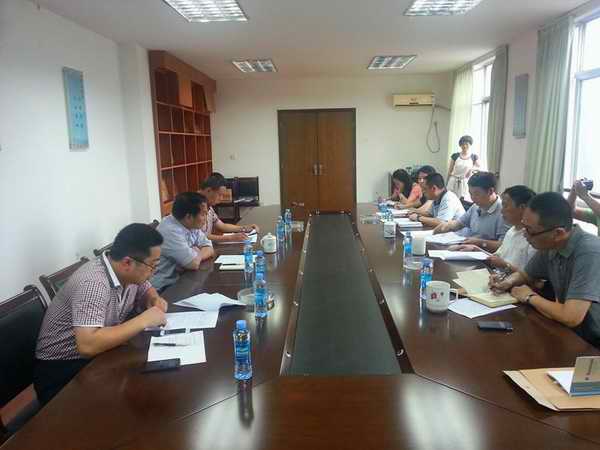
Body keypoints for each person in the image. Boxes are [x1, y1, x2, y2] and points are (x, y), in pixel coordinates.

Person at [34, 224, 168, 405]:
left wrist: (153, 298)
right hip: (64, 371)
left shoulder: (126, 272)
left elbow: (145, 287)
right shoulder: (94, 283)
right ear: (127, 263)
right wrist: (144, 320)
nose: (154, 272)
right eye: (152, 266)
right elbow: (87, 345)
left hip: (98, 358)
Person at [490, 192, 600, 348]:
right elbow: (526, 274)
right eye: (524, 226)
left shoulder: (590, 252)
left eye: (530, 230)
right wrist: (506, 282)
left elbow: (571, 316)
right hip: (570, 331)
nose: (525, 235)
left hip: (592, 341)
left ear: (558, 233)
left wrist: (529, 296)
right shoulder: (550, 244)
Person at [452, 185, 537, 272]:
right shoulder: (511, 231)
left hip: (508, 279)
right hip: (497, 276)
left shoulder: (533, 238)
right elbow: (496, 258)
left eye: (505, 206)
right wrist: (475, 249)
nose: (502, 211)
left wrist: (505, 265)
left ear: (522, 208)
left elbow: (530, 277)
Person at [151, 192, 215, 291]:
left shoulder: (190, 224)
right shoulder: (170, 231)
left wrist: (197, 255)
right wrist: (195, 254)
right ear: (188, 217)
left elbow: (209, 247)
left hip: (182, 279)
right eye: (203, 214)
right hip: (164, 288)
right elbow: (193, 264)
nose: (206, 219)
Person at [434, 171, 509, 251]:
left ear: (490, 191)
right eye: (470, 193)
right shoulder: (476, 206)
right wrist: (444, 227)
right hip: (469, 250)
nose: (472, 198)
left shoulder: (504, 212)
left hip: (487, 255)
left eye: (476, 194)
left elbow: (503, 245)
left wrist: (479, 242)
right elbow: (458, 224)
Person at [198, 173, 260, 242]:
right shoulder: (193, 205)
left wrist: (244, 228)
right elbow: (200, 237)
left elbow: (222, 226)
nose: (221, 198)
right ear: (208, 190)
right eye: (219, 195)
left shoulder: (207, 205)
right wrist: (230, 238)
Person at [447, 135, 480, 200]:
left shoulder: (473, 156)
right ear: (460, 145)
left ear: (470, 145)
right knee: (450, 199)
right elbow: (449, 171)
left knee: (464, 200)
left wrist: (471, 169)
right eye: (462, 144)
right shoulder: (455, 156)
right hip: (453, 182)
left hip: (465, 183)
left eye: (466, 144)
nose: (464, 146)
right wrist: (447, 182)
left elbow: (479, 167)